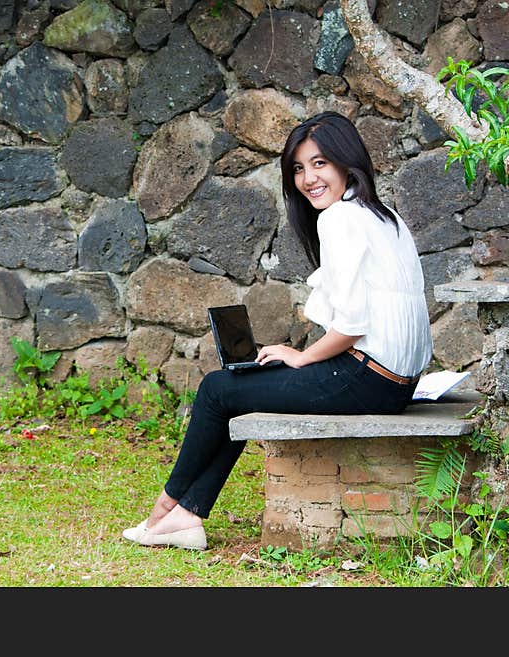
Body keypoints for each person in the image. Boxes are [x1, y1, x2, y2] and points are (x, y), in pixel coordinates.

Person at [123, 111, 433, 550]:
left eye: (320, 163)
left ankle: (162, 511)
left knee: (216, 389)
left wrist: (302, 357)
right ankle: (188, 517)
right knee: (238, 391)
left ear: (348, 162)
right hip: (396, 383)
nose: (309, 179)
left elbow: (352, 324)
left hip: (365, 380)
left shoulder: (340, 220)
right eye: (299, 169)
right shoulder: (385, 218)